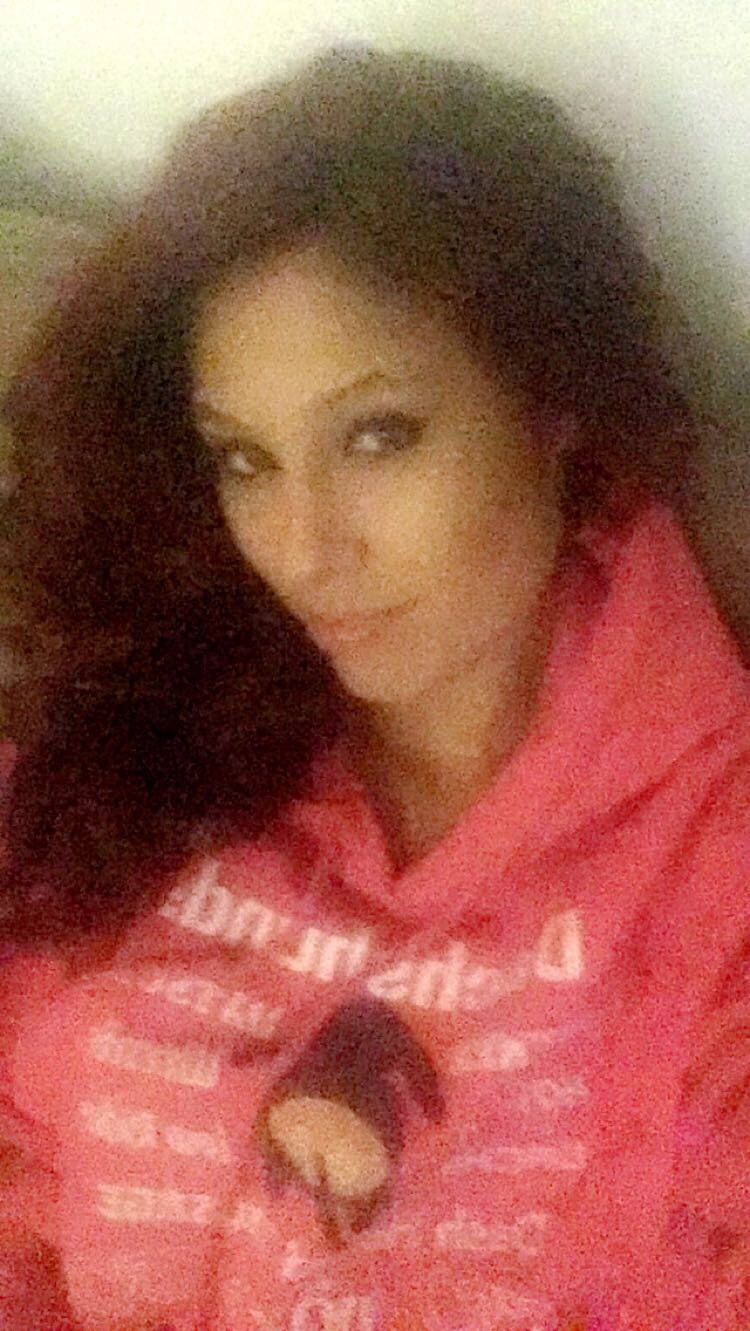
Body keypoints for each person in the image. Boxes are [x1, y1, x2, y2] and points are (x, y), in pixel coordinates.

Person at [0, 41, 748, 1331]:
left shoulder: (715, 867)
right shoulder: (131, 754)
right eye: (245, 460)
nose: (304, 549)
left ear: (552, 406)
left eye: (378, 435)